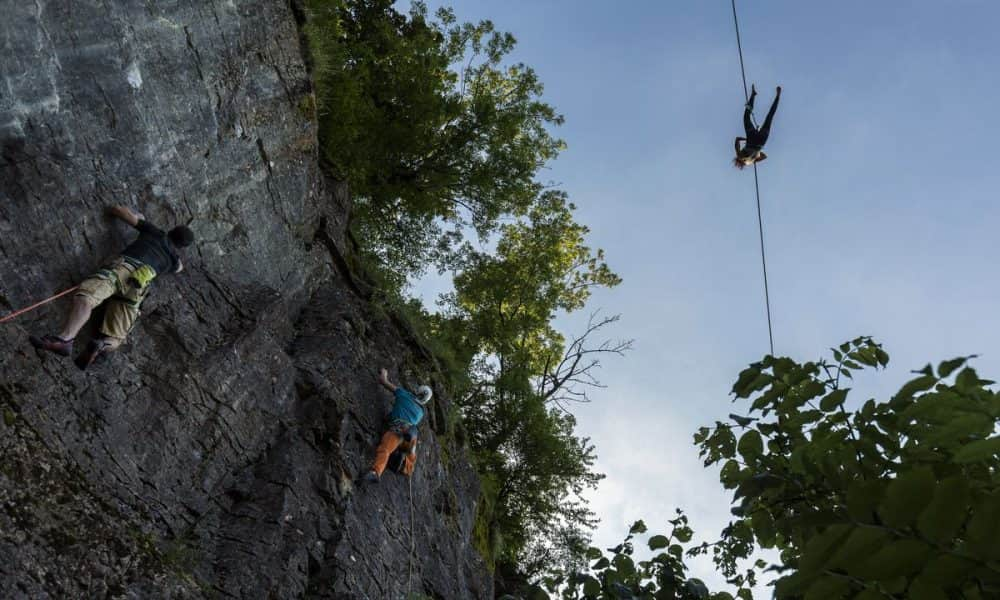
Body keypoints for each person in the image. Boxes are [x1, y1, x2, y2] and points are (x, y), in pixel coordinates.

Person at [29, 205, 194, 370]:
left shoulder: (155, 232)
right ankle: (101, 346)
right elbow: (180, 267)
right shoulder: (173, 261)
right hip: (139, 288)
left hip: (123, 270)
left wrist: (137, 216)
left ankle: (65, 339)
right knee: (116, 336)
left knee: (87, 297)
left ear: (171, 230)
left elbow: (117, 210)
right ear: (182, 247)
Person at [362, 368, 433, 483]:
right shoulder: (421, 412)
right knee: (411, 454)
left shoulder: (403, 394)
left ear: (417, 390)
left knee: (385, 449)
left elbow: (383, 381)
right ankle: (407, 467)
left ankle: (376, 472)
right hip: (411, 436)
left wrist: (384, 372)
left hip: (397, 432)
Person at [734, 84, 781, 169]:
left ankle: (778, 96)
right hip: (751, 139)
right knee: (746, 117)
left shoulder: (750, 162)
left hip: (761, 142)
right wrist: (746, 140)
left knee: (769, 117)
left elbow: (764, 156)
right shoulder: (739, 155)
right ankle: (753, 95)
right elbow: (737, 139)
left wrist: (756, 157)